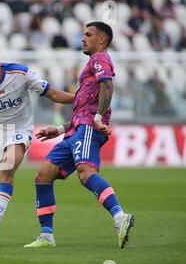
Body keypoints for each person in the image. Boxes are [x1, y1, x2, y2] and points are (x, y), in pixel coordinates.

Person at [24, 22, 135, 249]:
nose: (83, 38)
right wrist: (61, 129)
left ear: (101, 40)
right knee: (43, 176)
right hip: (76, 130)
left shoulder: (99, 58)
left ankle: (120, 216)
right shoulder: (91, 64)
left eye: (88, 35)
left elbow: (108, 88)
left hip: (88, 129)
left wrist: (97, 118)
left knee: (85, 174)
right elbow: (84, 106)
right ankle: (46, 236)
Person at [0, 37, 74, 244]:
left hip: (19, 130)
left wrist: (82, 97)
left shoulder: (20, 74)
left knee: (6, 169)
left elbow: (53, 94)